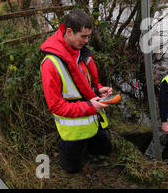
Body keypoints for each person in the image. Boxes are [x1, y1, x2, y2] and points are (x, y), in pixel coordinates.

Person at [40, 9, 113, 173]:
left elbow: (86, 83)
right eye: (83, 36)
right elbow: (55, 106)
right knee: (71, 169)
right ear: (69, 32)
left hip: (95, 121)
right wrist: (89, 107)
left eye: (88, 36)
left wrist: (99, 89)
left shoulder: (78, 51)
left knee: (104, 151)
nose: (87, 41)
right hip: (73, 132)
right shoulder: (50, 64)